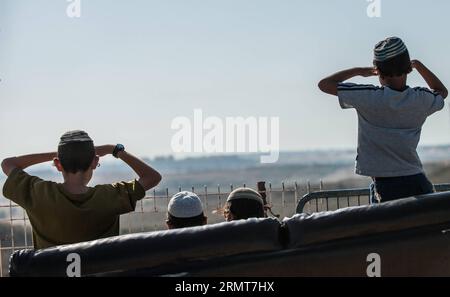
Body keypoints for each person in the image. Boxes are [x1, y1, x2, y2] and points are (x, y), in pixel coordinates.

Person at [318, 37, 448, 204]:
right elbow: (441, 92)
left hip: (385, 185)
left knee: (390, 230)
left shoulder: (369, 97)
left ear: (378, 71)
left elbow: (325, 84)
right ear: (407, 67)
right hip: (417, 181)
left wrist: (358, 71)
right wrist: (418, 65)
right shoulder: (420, 99)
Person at [1, 130, 162, 249]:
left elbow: (7, 164)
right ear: (94, 162)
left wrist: (60, 154)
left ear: (58, 164)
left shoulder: (39, 193)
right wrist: (116, 150)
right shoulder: (110, 196)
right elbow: (151, 177)